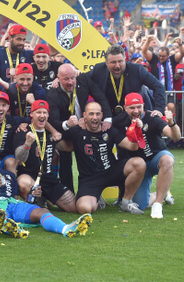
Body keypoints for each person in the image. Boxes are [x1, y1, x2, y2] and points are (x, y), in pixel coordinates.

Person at [0, 139, 93, 238]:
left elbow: (16, 197)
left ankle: (65, 229)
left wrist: (33, 196)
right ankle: (11, 229)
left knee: (42, 211)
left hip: (14, 204)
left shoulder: (9, 174)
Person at [57, 102, 146, 215]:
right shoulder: (77, 131)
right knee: (84, 208)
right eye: (91, 114)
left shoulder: (109, 129)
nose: (95, 117)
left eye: (98, 114)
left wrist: (137, 131)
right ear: (84, 115)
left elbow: (132, 146)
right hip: (90, 179)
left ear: (102, 115)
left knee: (139, 163)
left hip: (112, 171)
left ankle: (126, 202)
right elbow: (58, 140)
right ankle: (96, 198)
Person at [113, 93, 180, 219]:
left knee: (168, 160)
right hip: (139, 168)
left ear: (143, 106)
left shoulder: (153, 117)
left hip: (156, 160)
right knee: (140, 205)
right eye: (132, 108)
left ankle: (158, 205)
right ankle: (162, 194)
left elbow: (175, 136)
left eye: (139, 107)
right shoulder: (119, 122)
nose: (136, 111)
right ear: (125, 108)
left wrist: (171, 122)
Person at [47, 63, 112, 192]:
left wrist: (108, 119)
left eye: (72, 78)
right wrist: (68, 124)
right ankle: (68, 191)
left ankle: (96, 189)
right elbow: (54, 121)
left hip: (85, 126)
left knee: (92, 153)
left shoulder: (83, 80)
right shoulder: (53, 93)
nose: (70, 82)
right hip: (65, 129)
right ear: (58, 78)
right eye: (66, 79)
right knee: (65, 158)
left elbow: (100, 97)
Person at [14, 100, 77, 212]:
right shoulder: (23, 132)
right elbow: (19, 158)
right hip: (30, 177)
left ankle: (44, 198)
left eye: (44, 113)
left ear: (48, 115)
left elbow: (68, 146)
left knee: (74, 207)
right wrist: (27, 144)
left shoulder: (51, 133)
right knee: (23, 183)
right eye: (38, 112)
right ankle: (35, 200)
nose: (42, 115)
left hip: (49, 179)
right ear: (31, 114)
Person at [87, 44, 165, 116]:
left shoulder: (137, 70)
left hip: (137, 115)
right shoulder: (99, 69)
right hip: (111, 117)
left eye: (120, 61)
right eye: (113, 62)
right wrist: (78, 74)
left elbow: (158, 86)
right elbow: (82, 82)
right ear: (106, 63)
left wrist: (159, 109)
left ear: (125, 60)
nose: (117, 66)